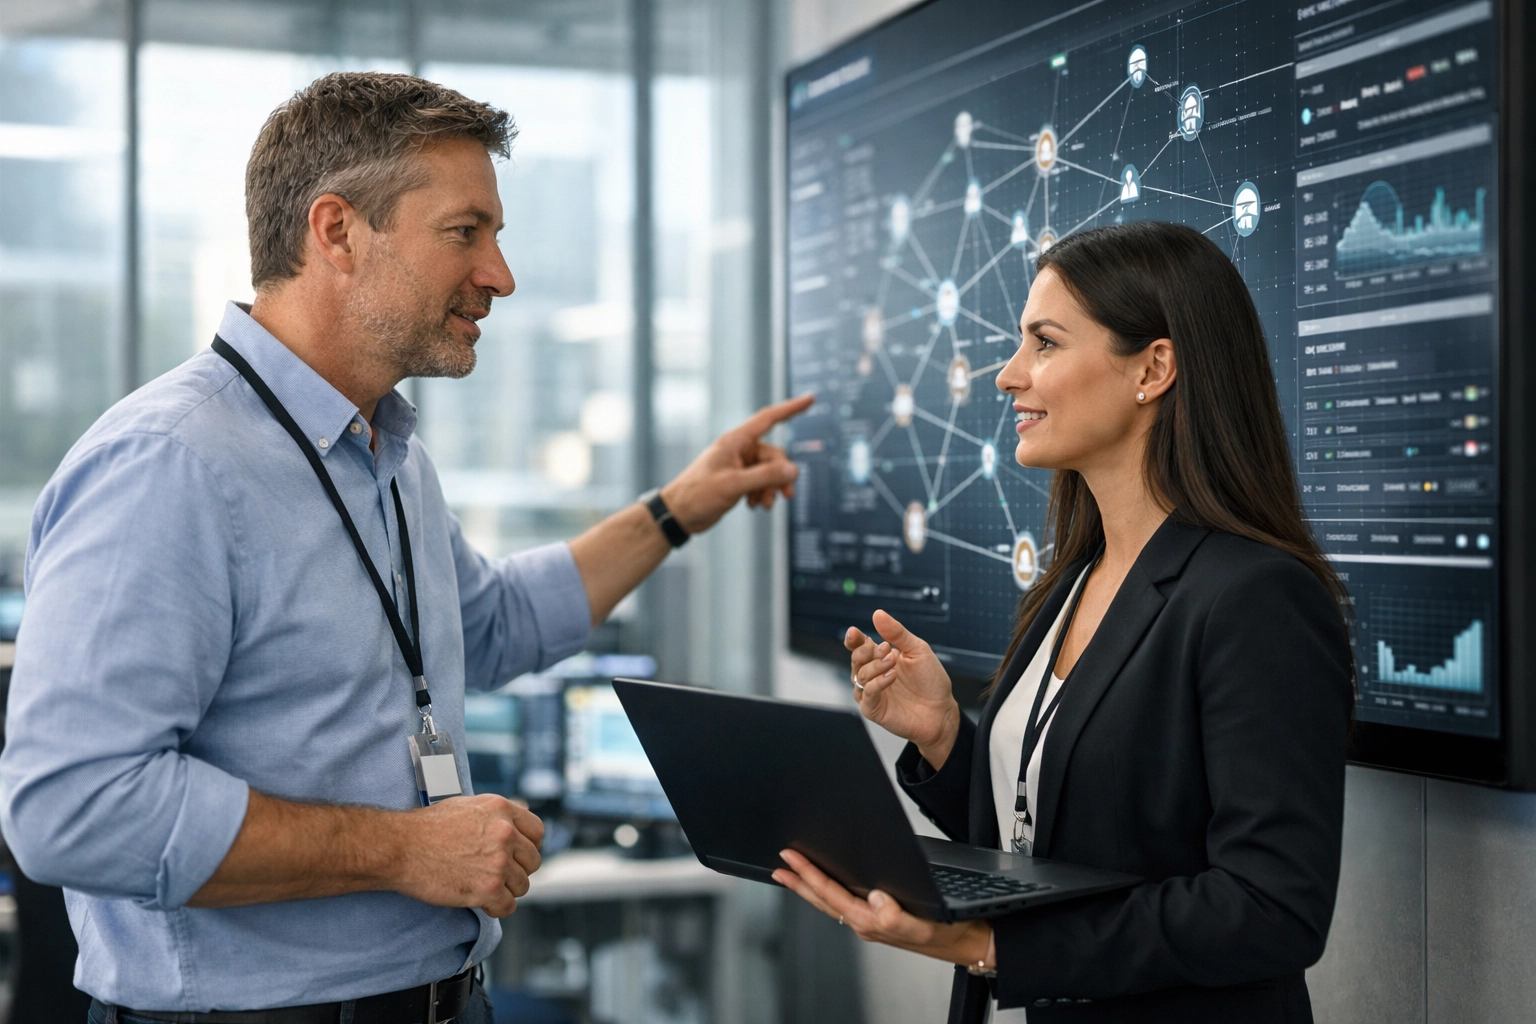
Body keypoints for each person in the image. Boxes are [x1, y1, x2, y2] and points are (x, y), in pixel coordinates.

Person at [0, 72, 809, 1023]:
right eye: (465, 233)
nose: (499, 274)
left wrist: (679, 508)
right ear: (336, 231)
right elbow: (74, 807)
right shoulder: (169, 466)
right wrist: (403, 849)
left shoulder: (383, 451)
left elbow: (493, 624)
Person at [774, 221, 1353, 1023]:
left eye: (1044, 343)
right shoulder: (1069, 583)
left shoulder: (1255, 598)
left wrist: (988, 947)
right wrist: (945, 737)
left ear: (1154, 367)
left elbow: (1271, 909)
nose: (1008, 376)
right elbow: (1041, 839)